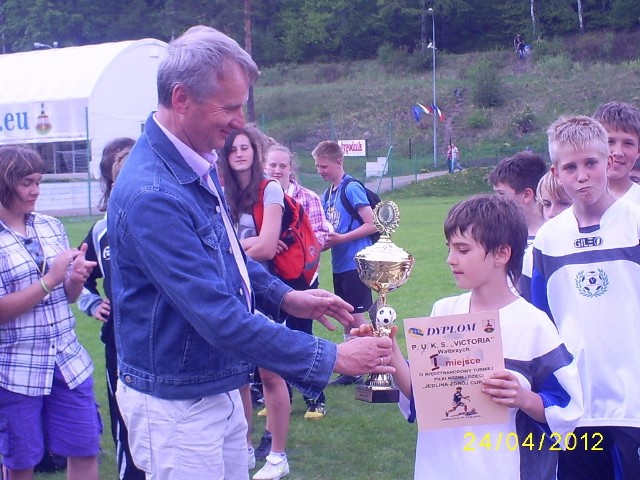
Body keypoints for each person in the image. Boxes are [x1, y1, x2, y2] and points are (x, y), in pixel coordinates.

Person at [107, 26, 394, 480]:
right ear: (181, 98)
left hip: (213, 383)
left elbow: (225, 258)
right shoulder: (153, 193)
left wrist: (285, 297)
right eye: (230, 106)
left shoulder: (192, 165)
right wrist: (332, 358)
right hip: (180, 403)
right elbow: (217, 315)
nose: (240, 121)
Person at [353, 194, 582, 480]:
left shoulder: (534, 325)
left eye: (463, 249)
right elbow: (423, 396)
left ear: (501, 253)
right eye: (449, 248)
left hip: (503, 468)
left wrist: (525, 398)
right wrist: (389, 350)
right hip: (439, 466)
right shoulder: (444, 311)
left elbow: (568, 409)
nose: (451, 259)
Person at [532, 115, 640, 480]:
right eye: (571, 167)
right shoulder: (548, 239)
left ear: (608, 163)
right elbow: (540, 323)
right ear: (556, 173)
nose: (582, 175)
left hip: (633, 405)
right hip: (576, 407)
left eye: (591, 163)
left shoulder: (635, 224)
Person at [0, 145, 100, 480]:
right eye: (26, 182)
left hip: (67, 362)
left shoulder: (50, 226)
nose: (35, 191)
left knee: (85, 449)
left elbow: (66, 297)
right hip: (16, 369)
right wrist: (51, 278)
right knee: (20, 462)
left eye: (38, 182)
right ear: (4, 182)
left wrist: (74, 279)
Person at [218, 127, 296, 480]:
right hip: (229, 292)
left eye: (244, 147)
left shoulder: (270, 188)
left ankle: (278, 455)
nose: (239, 153)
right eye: (232, 148)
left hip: (263, 290)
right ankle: (245, 446)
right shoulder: (218, 189)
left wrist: (229, 251)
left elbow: (266, 246)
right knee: (237, 375)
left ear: (255, 151)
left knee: (270, 373)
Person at [77, 138, 145, 480]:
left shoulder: (163, 222)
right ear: (114, 185)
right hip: (120, 343)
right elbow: (78, 277)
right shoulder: (101, 231)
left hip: (165, 344)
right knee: (127, 423)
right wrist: (92, 303)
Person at [264, 143, 332, 419]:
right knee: (272, 337)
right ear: (264, 167)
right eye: (272, 165)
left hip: (302, 280)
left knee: (302, 337)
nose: (277, 170)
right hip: (269, 280)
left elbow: (321, 235)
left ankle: (316, 397)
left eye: (282, 165)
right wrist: (269, 244)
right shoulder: (258, 198)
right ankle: (281, 398)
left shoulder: (308, 197)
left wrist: (293, 247)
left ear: (291, 169)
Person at [314, 140, 378, 386]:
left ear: (339, 162)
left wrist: (341, 238)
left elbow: (372, 223)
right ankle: (353, 368)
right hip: (340, 264)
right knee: (347, 316)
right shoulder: (327, 194)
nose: (320, 171)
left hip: (356, 263)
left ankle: (375, 366)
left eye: (324, 166)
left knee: (358, 317)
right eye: (318, 167)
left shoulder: (351, 188)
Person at [488, 151, 547, 302]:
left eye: (501, 194)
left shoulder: (552, 238)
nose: (495, 201)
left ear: (527, 195)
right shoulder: (497, 237)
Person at [592, 101, 640, 203]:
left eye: (628, 144)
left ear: (638, 151)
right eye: (610, 142)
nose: (618, 152)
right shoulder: (574, 199)